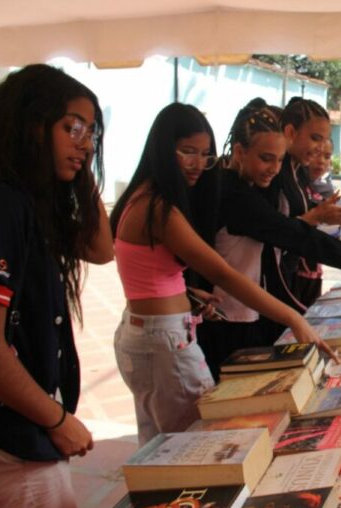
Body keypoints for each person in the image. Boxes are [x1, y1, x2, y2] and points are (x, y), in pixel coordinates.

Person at [110, 103, 325, 445]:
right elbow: (223, 273)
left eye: (205, 154)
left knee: (159, 445)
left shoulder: (140, 198)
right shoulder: (159, 209)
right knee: (199, 443)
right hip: (164, 342)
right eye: (187, 152)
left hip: (147, 332)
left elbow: (149, 272)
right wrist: (293, 318)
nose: (198, 164)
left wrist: (187, 295)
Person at [199, 101, 341, 379]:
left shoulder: (255, 184)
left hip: (252, 309)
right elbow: (293, 235)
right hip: (228, 316)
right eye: (266, 158)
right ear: (239, 152)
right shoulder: (236, 194)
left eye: (279, 160)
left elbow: (288, 235)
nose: (274, 169)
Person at [0, 64, 113, 508]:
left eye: (91, 134)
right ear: (30, 124)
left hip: (30, 434)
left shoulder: (33, 204)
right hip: (14, 443)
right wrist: (57, 420)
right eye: (72, 128)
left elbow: (101, 248)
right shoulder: (4, 204)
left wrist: (82, 168)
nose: (85, 143)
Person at [267, 98, 341, 315]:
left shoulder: (297, 172)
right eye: (315, 139)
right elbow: (277, 232)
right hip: (276, 284)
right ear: (290, 132)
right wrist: (316, 216)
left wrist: (322, 216)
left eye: (325, 143)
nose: (319, 150)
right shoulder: (278, 175)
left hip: (291, 276)